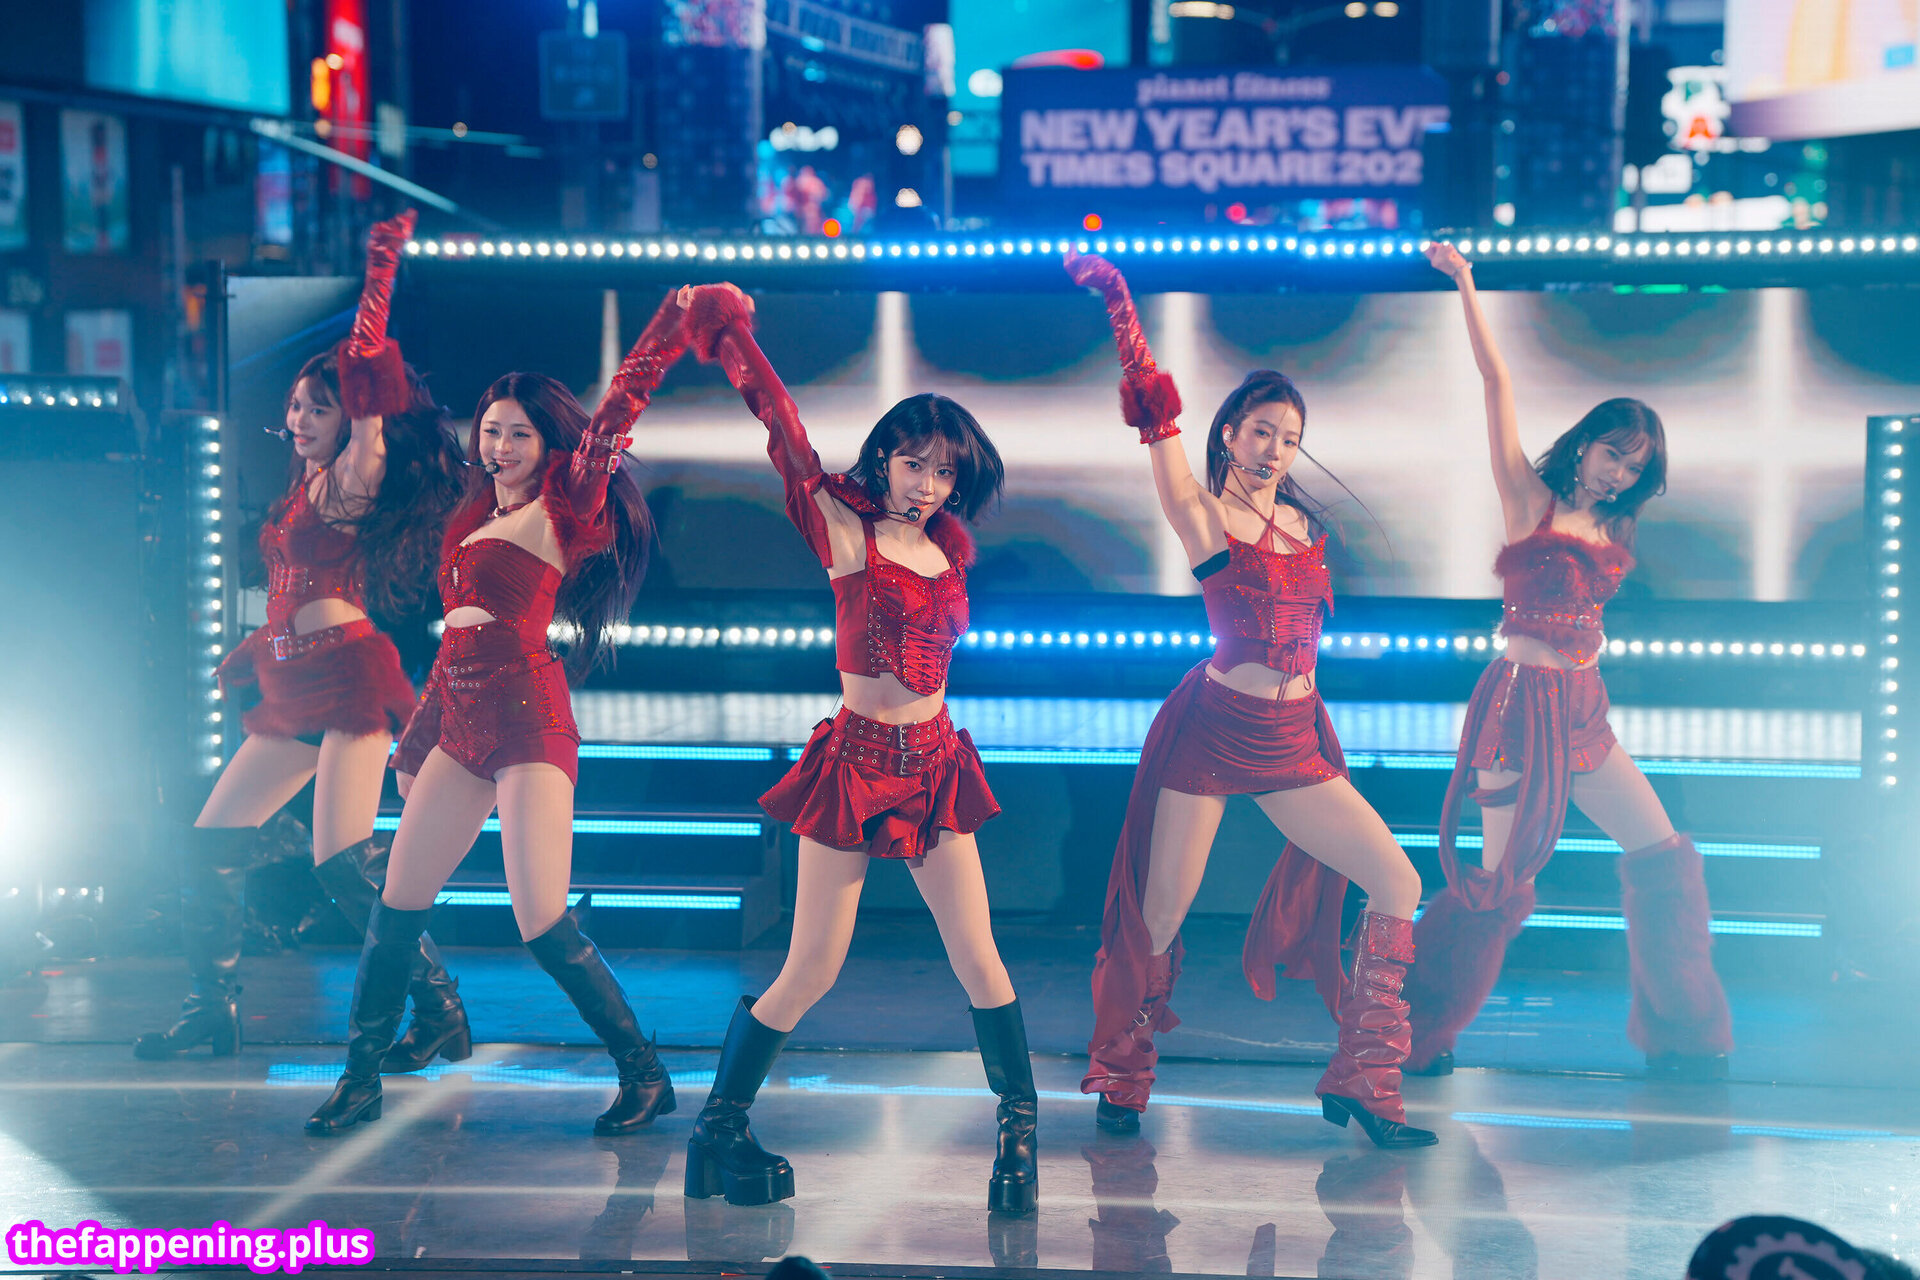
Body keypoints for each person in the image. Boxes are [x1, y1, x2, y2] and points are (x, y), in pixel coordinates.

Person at [675, 285, 1036, 1214]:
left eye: (943, 472)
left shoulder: (948, 551)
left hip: (935, 765)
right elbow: (785, 434)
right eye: (913, 464)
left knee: (980, 958)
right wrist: (731, 333)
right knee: (812, 967)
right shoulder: (847, 533)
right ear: (882, 459)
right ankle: (718, 1128)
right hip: (856, 764)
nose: (927, 485)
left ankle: (1019, 1140)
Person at [1065, 250, 1434, 1150]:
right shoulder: (1203, 514)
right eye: (1262, 431)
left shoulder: (1307, 526)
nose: (1275, 449)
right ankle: (1123, 1075)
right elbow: (1156, 425)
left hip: (1293, 738)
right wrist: (1120, 306)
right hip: (1215, 732)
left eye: (1290, 437)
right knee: (1160, 913)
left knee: (1398, 881)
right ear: (1229, 433)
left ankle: (1366, 1078)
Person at [303, 289, 683, 1135]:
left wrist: (670, 324)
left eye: (519, 434)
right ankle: (359, 1080)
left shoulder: (563, 508)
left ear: (549, 445)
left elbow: (617, 413)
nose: (499, 446)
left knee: (539, 920)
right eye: (490, 430)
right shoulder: (479, 518)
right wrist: (419, 737)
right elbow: (455, 642)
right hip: (463, 719)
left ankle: (644, 1073)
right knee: (396, 905)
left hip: (528, 721)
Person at [136, 210, 470, 1072]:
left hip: (347, 688)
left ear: (350, 414)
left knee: (343, 865)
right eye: (294, 405)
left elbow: (367, 388)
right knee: (212, 840)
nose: (300, 417)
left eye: (319, 407)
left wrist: (380, 269)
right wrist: (250, 654)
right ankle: (211, 1011)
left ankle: (439, 1008)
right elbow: (292, 594)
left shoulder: (354, 475)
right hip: (291, 691)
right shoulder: (302, 487)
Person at [1405, 242, 1732, 1079]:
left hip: (1584, 711)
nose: (1620, 472)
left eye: (1636, 466)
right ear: (1585, 443)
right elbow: (1495, 382)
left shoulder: (1616, 526)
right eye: (1613, 452)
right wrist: (1466, 282)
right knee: (1492, 882)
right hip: (1519, 707)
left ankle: (1687, 1036)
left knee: (1663, 856)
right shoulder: (1529, 499)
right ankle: (1409, 1035)